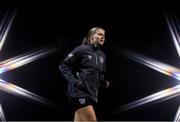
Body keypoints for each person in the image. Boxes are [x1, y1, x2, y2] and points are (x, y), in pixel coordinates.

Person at [59, 27, 110, 121]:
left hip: (92, 95)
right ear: (91, 37)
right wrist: (75, 81)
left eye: (104, 36)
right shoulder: (81, 49)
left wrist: (103, 82)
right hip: (79, 93)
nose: (102, 37)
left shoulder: (103, 56)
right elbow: (63, 65)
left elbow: (101, 73)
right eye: (99, 34)